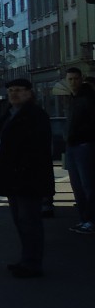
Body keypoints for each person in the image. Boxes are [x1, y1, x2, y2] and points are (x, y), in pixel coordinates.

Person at [0, 78, 55, 278]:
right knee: (20, 221)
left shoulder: (35, 115)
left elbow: (36, 148)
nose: (13, 94)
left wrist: (21, 167)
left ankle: (33, 263)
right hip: (12, 178)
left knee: (29, 222)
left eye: (18, 90)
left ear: (29, 93)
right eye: (10, 90)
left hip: (28, 178)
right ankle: (26, 260)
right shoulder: (9, 115)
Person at [63, 67, 95, 234]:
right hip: (73, 146)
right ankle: (84, 220)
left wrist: (79, 136)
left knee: (88, 185)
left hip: (84, 145)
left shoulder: (88, 98)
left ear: (81, 79)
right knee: (78, 186)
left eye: (75, 79)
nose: (73, 82)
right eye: (70, 79)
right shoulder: (72, 98)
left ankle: (90, 221)